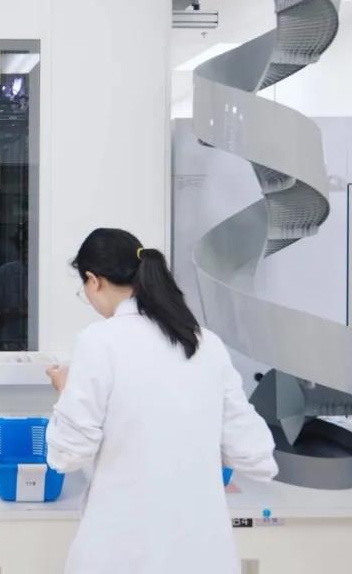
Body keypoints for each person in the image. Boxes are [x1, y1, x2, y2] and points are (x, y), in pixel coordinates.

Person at [45, 228, 277, 574]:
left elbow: (67, 454)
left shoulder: (99, 341)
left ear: (94, 281)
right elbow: (255, 455)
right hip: (201, 555)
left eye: (85, 290)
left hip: (125, 551)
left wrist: (65, 393)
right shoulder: (205, 342)